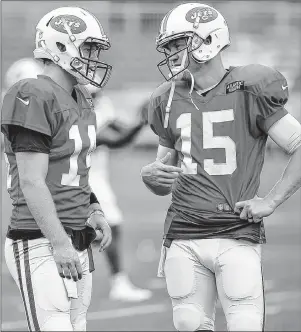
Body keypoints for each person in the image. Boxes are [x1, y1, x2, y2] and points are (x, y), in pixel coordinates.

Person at [140, 3, 301, 331]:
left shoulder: (250, 87)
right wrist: (150, 176)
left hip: (235, 228)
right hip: (183, 230)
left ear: (208, 40)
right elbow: (163, 179)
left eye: (177, 42)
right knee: (189, 322)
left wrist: (270, 201)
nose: (170, 52)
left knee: (244, 322)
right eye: (168, 45)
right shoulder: (167, 98)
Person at [1, 7, 113, 331]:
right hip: (41, 238)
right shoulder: (33, 93)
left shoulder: (82, 98)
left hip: (77, 234)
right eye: (89, 48)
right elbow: (31, 180)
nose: (94, 57)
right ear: (60, 47)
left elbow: (75, 168)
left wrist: (94, 208)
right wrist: (60, 242)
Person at [87, 87, 152, 301]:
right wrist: (142, 121)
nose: (97, 98)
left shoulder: (102, 105)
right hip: (82, 179)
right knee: (111, 224)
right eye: (92, 94)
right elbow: (114, 140)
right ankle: (119, 283)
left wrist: (141, 121)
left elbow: (121, 130)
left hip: (96, 177)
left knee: (106, 228)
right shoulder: (75, 111)